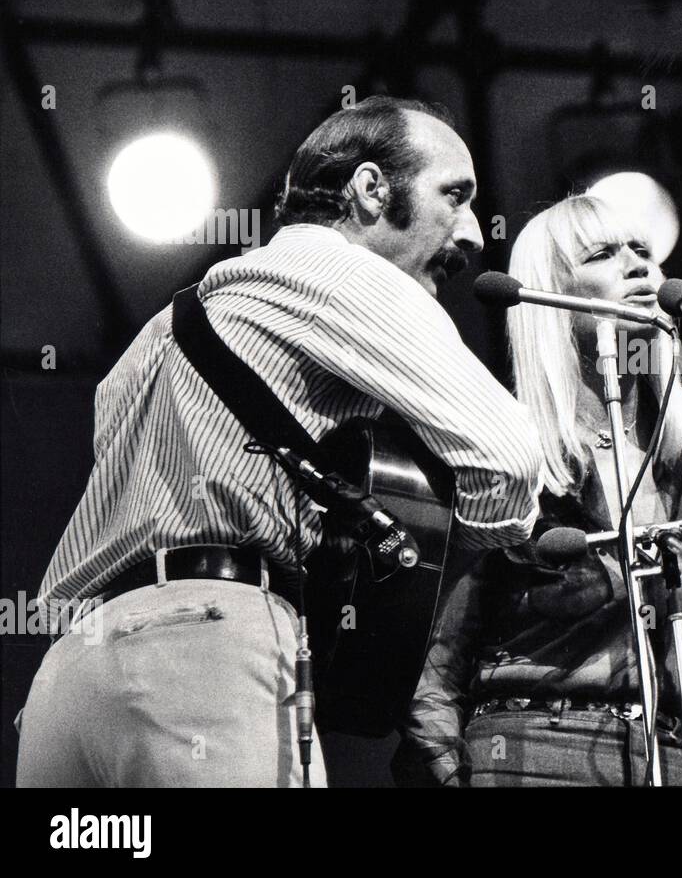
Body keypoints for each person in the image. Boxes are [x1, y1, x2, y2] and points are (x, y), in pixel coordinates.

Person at [15, 96, 543, 787]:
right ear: (370, 188)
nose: (473, 233)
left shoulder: (155, 335)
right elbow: (508, 461)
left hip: (62, 678)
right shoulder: (348, 273)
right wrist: (429, 559)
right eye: (455, 195)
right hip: (200, 650)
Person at [393, 193, 682, 786]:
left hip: (674, 757)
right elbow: (435, 654)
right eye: (603, 253)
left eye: (644, 251)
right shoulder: (502, 441)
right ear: (547, 292)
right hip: (530, 755)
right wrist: (447, 776)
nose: (638, 266)